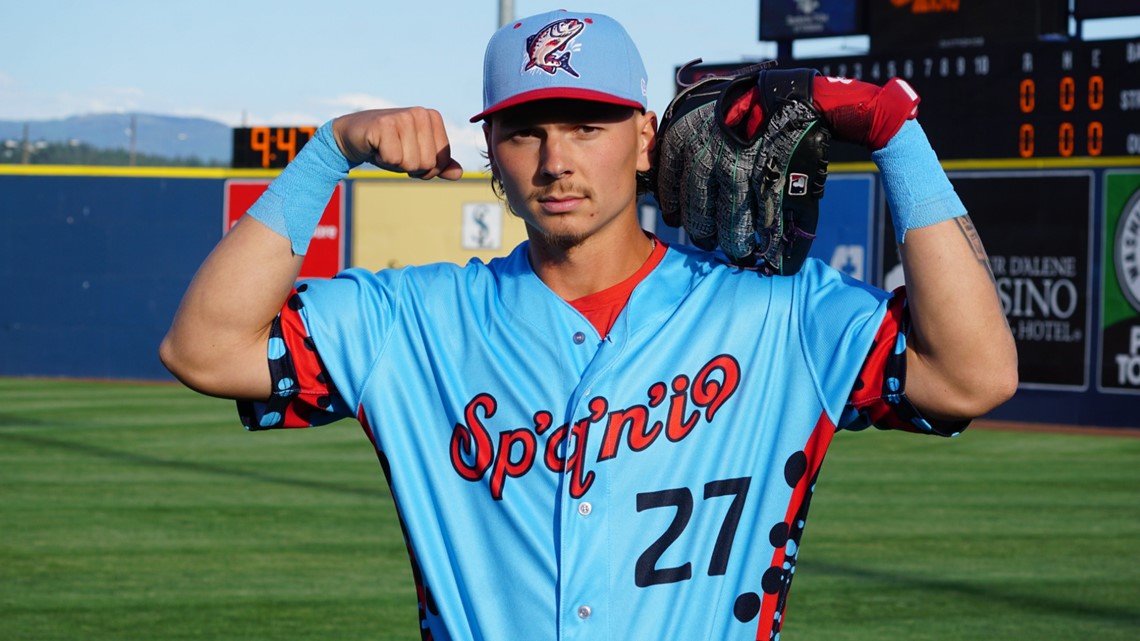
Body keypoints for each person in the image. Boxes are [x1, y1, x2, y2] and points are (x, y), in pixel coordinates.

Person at [160, 9, 1017, 641]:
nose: (557, 158)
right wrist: (329, 152)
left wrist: (895, 134)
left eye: (587, 124)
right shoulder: (413, 320)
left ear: (645, 138)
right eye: (525, 132)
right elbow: (204, 347)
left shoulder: (777, 311)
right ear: (490, 152)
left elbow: (973, 375)